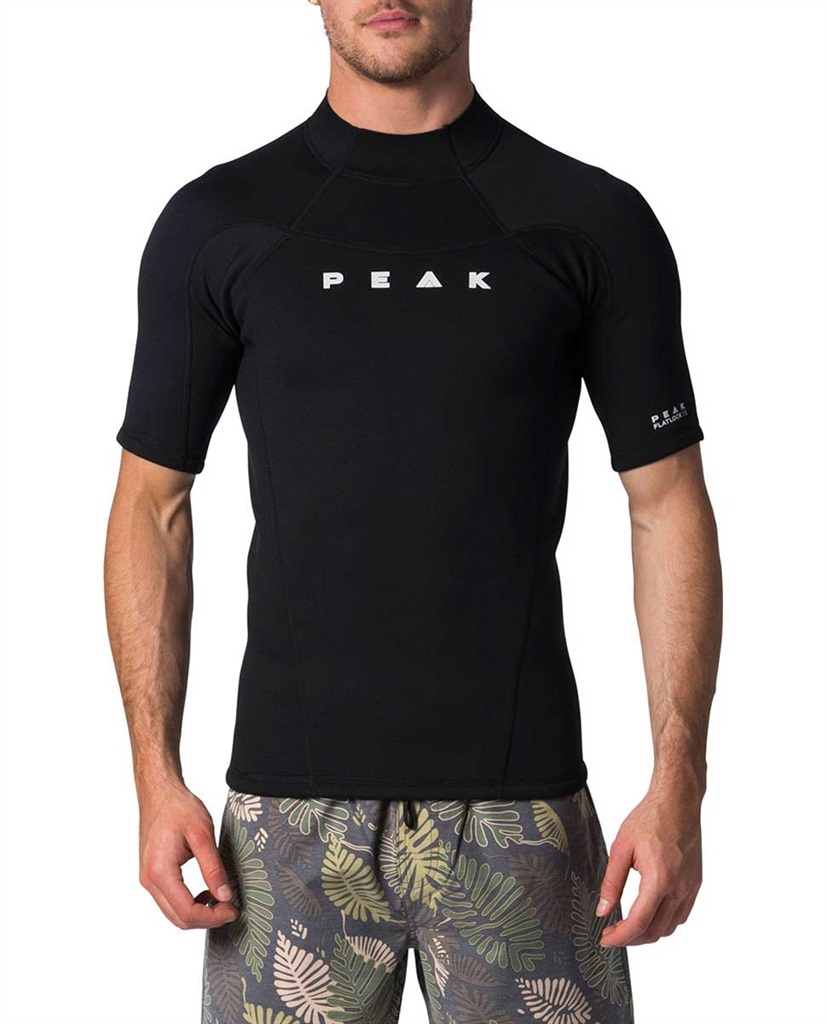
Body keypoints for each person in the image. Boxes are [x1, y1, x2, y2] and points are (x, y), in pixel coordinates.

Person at [103, 1, 722, 1021]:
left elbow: (665, 505)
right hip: (285, 824)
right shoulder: (218, 222)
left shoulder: (588, 220)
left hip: (523, 818)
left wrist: (677, 785)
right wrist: (152, 778)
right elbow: (151, 502)